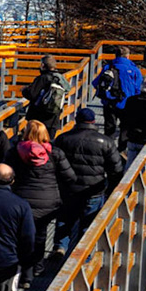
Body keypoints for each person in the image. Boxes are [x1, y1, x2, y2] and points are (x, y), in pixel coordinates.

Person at [8, 119, 73, 287]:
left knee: (22, 235)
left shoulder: (15, 152)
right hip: (48, 201)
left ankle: (25, 275)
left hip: (21, 200)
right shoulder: (55, 153)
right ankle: (37, 267)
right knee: (40, 234)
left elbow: (6, 173)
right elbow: (70, 177)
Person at [53, 107, 123, 254]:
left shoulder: (63, 139)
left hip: (68, 188)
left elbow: (54, 163)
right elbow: (115, 169)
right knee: (88, 223)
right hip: (94, 189)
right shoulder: (106, 141)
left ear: (77, 120)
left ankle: (60, 247)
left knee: (65, 219)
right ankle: (84, 254)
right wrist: (111, 187)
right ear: (93, 122)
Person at [95, 48, 141, 138]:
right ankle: (122, 149)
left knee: (109, 126)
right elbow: (138, 87)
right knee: (125, 127)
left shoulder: (108, 67)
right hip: (127, 102)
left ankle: (108, 148)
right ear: (128, 56)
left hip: (109, 101)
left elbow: (96, 83)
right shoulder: (134, 69)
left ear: (115, 55)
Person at [22, 56, 68, 127]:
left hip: (39, 118)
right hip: (54, 118)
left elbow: (32, 94)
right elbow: (67, 90)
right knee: (50, 137)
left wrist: (24, 90)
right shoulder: (60, 78)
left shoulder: (42, 78)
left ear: (43, 65)